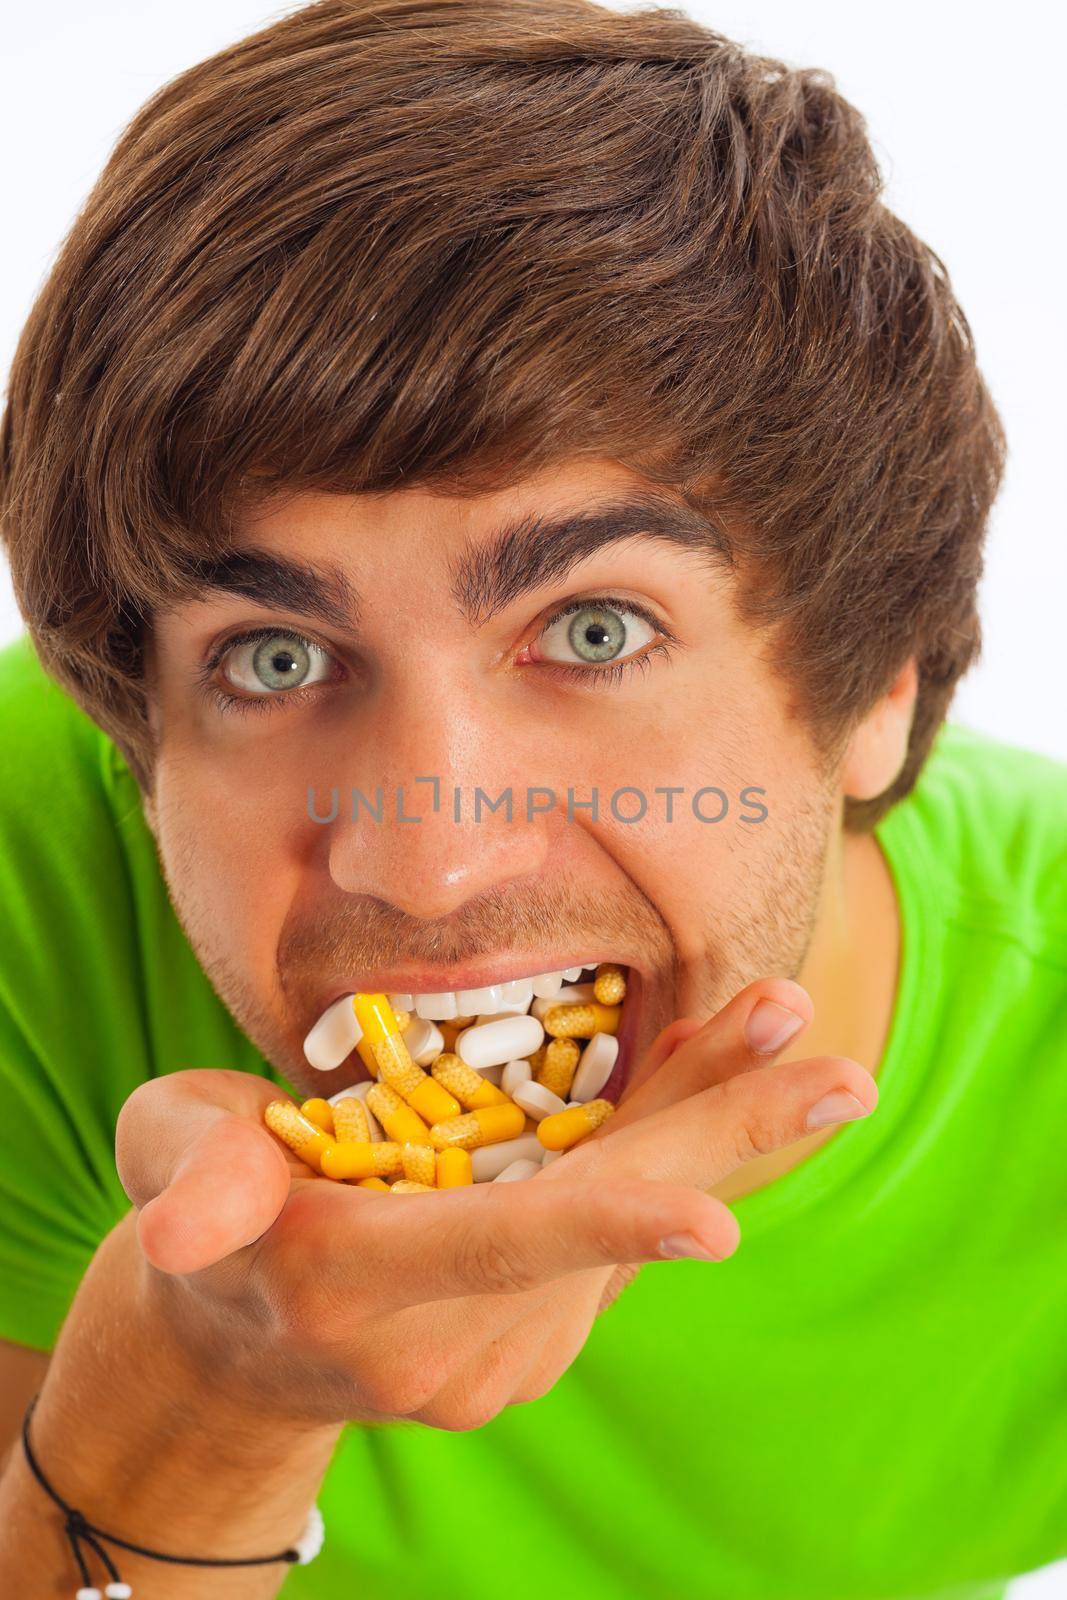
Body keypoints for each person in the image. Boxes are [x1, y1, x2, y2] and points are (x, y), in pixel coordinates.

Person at [0, 0, 1063, 1595]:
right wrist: (198, 1414)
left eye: (593, 631)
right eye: (276, 660)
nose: (427, 864)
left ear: (880, 679)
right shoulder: (28, 879)